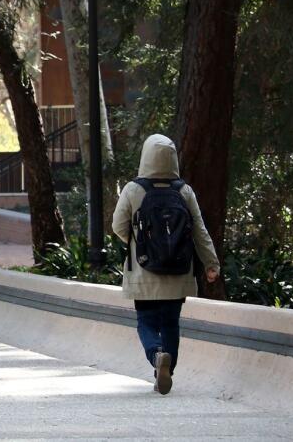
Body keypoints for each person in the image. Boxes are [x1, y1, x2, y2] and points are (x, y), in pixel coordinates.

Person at [112, 133, 220, 395]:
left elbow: (117, 225)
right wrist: (210, 263)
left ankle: (156, 354)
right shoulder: (184, 191)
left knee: (146, 321)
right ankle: (167, 369)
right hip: (179, 272)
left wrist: (141, 245)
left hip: (144, 271)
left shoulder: (133, 189)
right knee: (171, 323)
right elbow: (199, 231)